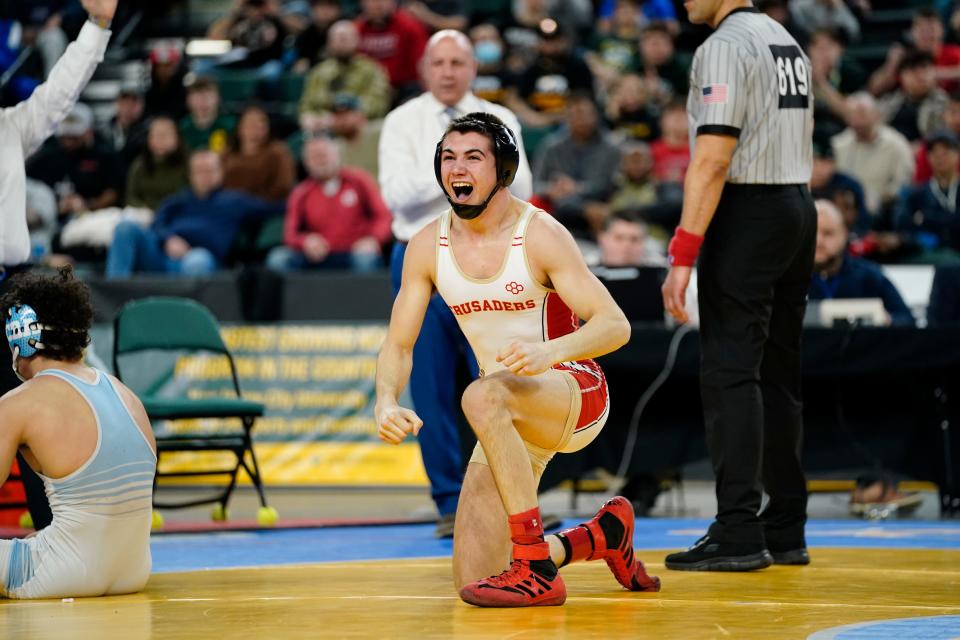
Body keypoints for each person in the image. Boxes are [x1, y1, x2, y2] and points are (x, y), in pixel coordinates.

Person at [375, 112, 660, 607]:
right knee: (473, 582)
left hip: (572, 391)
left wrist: (548, 351)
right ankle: (599, 536)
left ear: (503, 169)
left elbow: (615, 326)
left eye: (472, 158)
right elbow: (400, 344)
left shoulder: (540, 233)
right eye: (448, 158)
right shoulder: (426, 247)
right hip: (503, 410)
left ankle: (534, 567)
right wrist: (384, 400)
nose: (457, 169)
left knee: (481, 393)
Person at [661, 0, 817, 571]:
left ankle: (738, 532)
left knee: (731, 371)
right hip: (797, 205)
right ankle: (785, 527)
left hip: (749, 210)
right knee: (778, 372)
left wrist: (683, 253)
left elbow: (712, 158)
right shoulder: (784, 38)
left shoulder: (723, 46)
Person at [378, 29, 532, 537]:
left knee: (499, 378)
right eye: (438, 62)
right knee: (430, 384)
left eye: (457, 62)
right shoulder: (403, 121)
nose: (447, 71)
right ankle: (449, 501)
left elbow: (524, 187)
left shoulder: (502, 117)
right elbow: (397, 198)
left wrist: (451, 173)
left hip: (493, 256)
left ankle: (514, 496)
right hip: (421, 255)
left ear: (472, 68)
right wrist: (468, 171)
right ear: (425, 69)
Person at [0, 0, 116, 534]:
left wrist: (96, 27)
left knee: (39, 403)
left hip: (14, 291)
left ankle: (55, 534)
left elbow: (61, 93)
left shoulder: (9, 128)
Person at [0, 266, 156, 599]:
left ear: (20, 337)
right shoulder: (124, 394)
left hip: (60, 575)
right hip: (134, 571)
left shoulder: (18, 403)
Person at [105, 150, 278, 278]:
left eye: (210, 170)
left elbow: (273, 208)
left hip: (201, 255)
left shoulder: (235, 201)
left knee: (197, 261)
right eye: (200, 171)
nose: (205, 176)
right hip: (163, 253)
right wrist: (168, 239)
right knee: (125, 228)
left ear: (220, 173)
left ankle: (182, 316)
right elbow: (157, 223)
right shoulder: (177, 200)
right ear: (191, 175)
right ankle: (115, 295)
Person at [267, 136, 392, 272]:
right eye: (313, 156)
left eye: (323, 154)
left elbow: (384, 216)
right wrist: (305, 242)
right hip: (318, 255)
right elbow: (290, 233)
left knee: (366, 259)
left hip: (354, 251)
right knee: (279, 258)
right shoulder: (301, 192)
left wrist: (373, 239)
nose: (320, 160)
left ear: (336, 154)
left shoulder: (359, 180)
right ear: (306, 162)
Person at [810, 200, 915, 327]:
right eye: (812, 233)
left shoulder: (870, 276)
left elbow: (906, 320)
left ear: (844, 234)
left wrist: (886, 320)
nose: (818, 241)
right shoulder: (789, 280)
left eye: (828, 233)